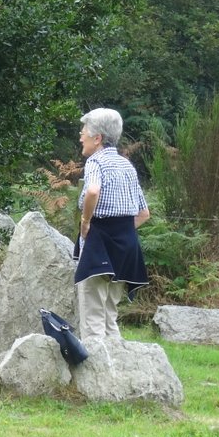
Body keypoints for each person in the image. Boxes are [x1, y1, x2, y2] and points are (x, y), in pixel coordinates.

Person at [74, 108, 150, 340]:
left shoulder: (95, 162)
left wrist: (86, 222)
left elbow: (93, 190)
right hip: (127, 247)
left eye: (84, 131)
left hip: (99, 245)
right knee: (110, 314)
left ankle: (96, 373)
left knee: (93, 314)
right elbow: (144, 213)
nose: (80, 136)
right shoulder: (126, 165)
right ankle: (118, 369)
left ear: (97, 139)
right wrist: (121, 233)